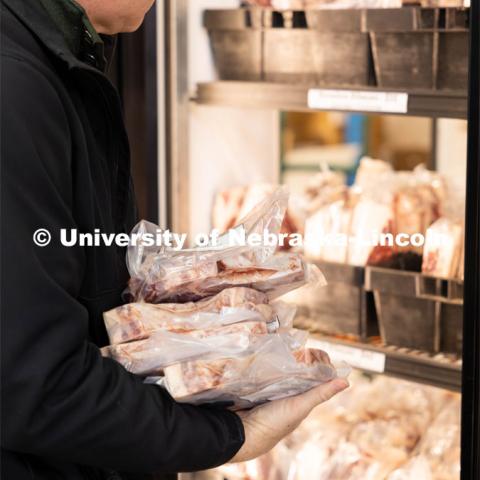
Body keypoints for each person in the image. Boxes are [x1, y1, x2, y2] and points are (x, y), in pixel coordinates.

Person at [0, 0, 349, 479]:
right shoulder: (16, 84)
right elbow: (35, 382)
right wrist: (230, 437)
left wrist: (178, 312)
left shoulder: (58, 57)